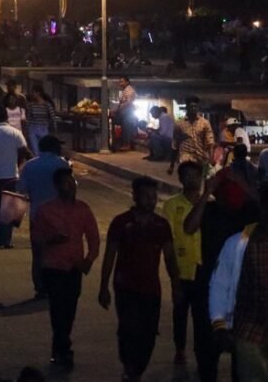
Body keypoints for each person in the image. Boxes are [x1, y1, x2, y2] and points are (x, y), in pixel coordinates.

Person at [98, 176, 180, 381]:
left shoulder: (161, 225)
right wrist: (103, 286)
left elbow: (170, 258)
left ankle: (136, 370)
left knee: (149, 333)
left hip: (151, 289)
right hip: (125, 287)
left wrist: (176, 285)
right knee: (128, 329)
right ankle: (129, 368)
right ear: (135, 196)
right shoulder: (121, 223)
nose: (151, 201)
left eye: (154, 197)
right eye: (146, 197)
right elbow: (109, 255)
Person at [184, 165, 260, 382]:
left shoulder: (247, 211)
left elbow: (263, 206)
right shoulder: (210, 210)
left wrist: (242, 184)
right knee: (207, 357)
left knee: (242, 359)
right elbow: (188, 227)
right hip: (209, 287)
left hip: (240, 292)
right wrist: (207, 192)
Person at [32, 166, 99, 370]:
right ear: (57, 186)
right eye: (66, 183)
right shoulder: (46, 210)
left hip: (74, 267)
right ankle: (64, 349)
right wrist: (50, 240)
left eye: (73, 183)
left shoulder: (83, 209)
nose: (71, 187)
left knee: (69, 310)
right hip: (53, 267)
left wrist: (89, 259)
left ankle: (59, 346)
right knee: (58, 309)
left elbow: (93, 237)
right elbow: (36, 238)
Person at [209, 182, 268, 381]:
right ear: (263, 207)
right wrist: (220, 324)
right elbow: (220, 283)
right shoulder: (237, 244)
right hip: (248, 330)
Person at [160, 161, 205, 367]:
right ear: (180, 179)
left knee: (201, 315)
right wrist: (173, 274)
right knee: (180, 313)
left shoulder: (209, 204)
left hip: (203, 269)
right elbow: (167, 241)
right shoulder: (171, 205)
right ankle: (180, 349)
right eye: (186, 176)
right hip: (181, 269)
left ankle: (200, 350)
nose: (191, 179)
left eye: (195, 175)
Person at [17, 135, 72, 297]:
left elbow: (21, 189)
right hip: (59, 214)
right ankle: (57, 284)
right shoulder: (62, 164)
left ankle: (41, 287)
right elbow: (69, 188)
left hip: (37, 215)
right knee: (59, 250)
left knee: (39, 253)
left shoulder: (30, 166)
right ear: (55, 148)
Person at [0, 104, 31, 248]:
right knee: (9, 209)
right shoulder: (15, 133)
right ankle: (7, 239)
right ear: (6, 116)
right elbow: (25, 152)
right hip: (11, 175)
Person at [170, 101, 215, 176]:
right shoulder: (179, 124)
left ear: (198, 108)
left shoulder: (205, 123)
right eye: (191, 107)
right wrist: (172, 165)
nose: (193, 108)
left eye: (195, 106)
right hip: (185, 156)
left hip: (201, 156)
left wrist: (211, 159)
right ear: (187, 108)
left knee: (202, 180)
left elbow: (210, 141)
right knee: (187, 177)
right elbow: (175, 144)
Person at [24, 85, 57, 157]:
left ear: (38, 93)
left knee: (44, 150)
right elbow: (29, 118)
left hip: (44, 128)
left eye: (33, 92)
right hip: (33, 129)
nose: (32, 94)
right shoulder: (31, 105)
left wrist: (54, 130)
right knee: (35, 151)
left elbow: (53, 118)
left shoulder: (47, 105)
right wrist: (26, 130)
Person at [115, 76, 138, 151]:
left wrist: (119, 109)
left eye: (122, 81)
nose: (120, 83)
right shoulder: (125, 90)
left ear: (127, 82)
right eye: (120, 81)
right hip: (125, 112)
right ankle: (125, 144)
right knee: (125, 128)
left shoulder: (129, 90)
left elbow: (128, 102)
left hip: (127, 112)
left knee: (127, 128)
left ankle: (127, 145)